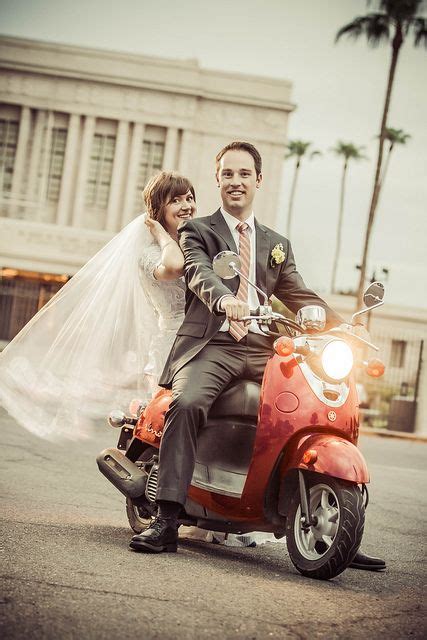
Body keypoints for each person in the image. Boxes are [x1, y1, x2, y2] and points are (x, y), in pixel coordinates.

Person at [129, 141, 386, 572]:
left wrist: (346, 326)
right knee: (188, 402)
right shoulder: (201, 230)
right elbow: (198, 271)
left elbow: (300, 294)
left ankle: (340, 522)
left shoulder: (275, 243)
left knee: (327, 406)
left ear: (258, 180)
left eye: (244, 174)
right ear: (218, 179)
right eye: (228, 174)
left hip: (266, 348)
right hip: (214, 345)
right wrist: (225, 300)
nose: (236, 182)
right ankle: (168, 518)